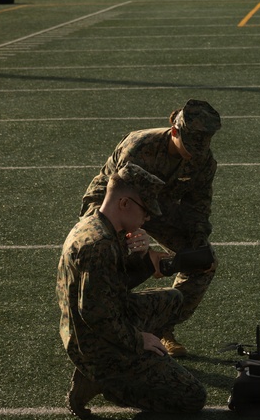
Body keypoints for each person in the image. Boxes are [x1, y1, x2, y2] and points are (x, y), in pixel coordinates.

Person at [57, 163, 207, 418]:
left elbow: (111, 287)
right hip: (97, 345)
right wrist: (139, 340)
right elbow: (94, 315)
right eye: (145, 210)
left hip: (103, 324)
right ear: (124, 203)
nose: (147, 218)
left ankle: (129, 366)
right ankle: (105, 380)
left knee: (173, 299)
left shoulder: (99, 226)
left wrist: (140, 257)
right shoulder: (99, 244)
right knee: (193, 397)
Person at [80, 98, 222, 358]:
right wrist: (140, 249)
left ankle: (160, 327)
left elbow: (198, 206)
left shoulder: (202, 159)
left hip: (156, 208)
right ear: (175, 131)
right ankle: (109, 331)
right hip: (113, 205)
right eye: (190, 144)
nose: (195, 152)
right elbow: (120, 200)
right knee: (115, 258)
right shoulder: (140, 146)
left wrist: (197, 240)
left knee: (205, 262)